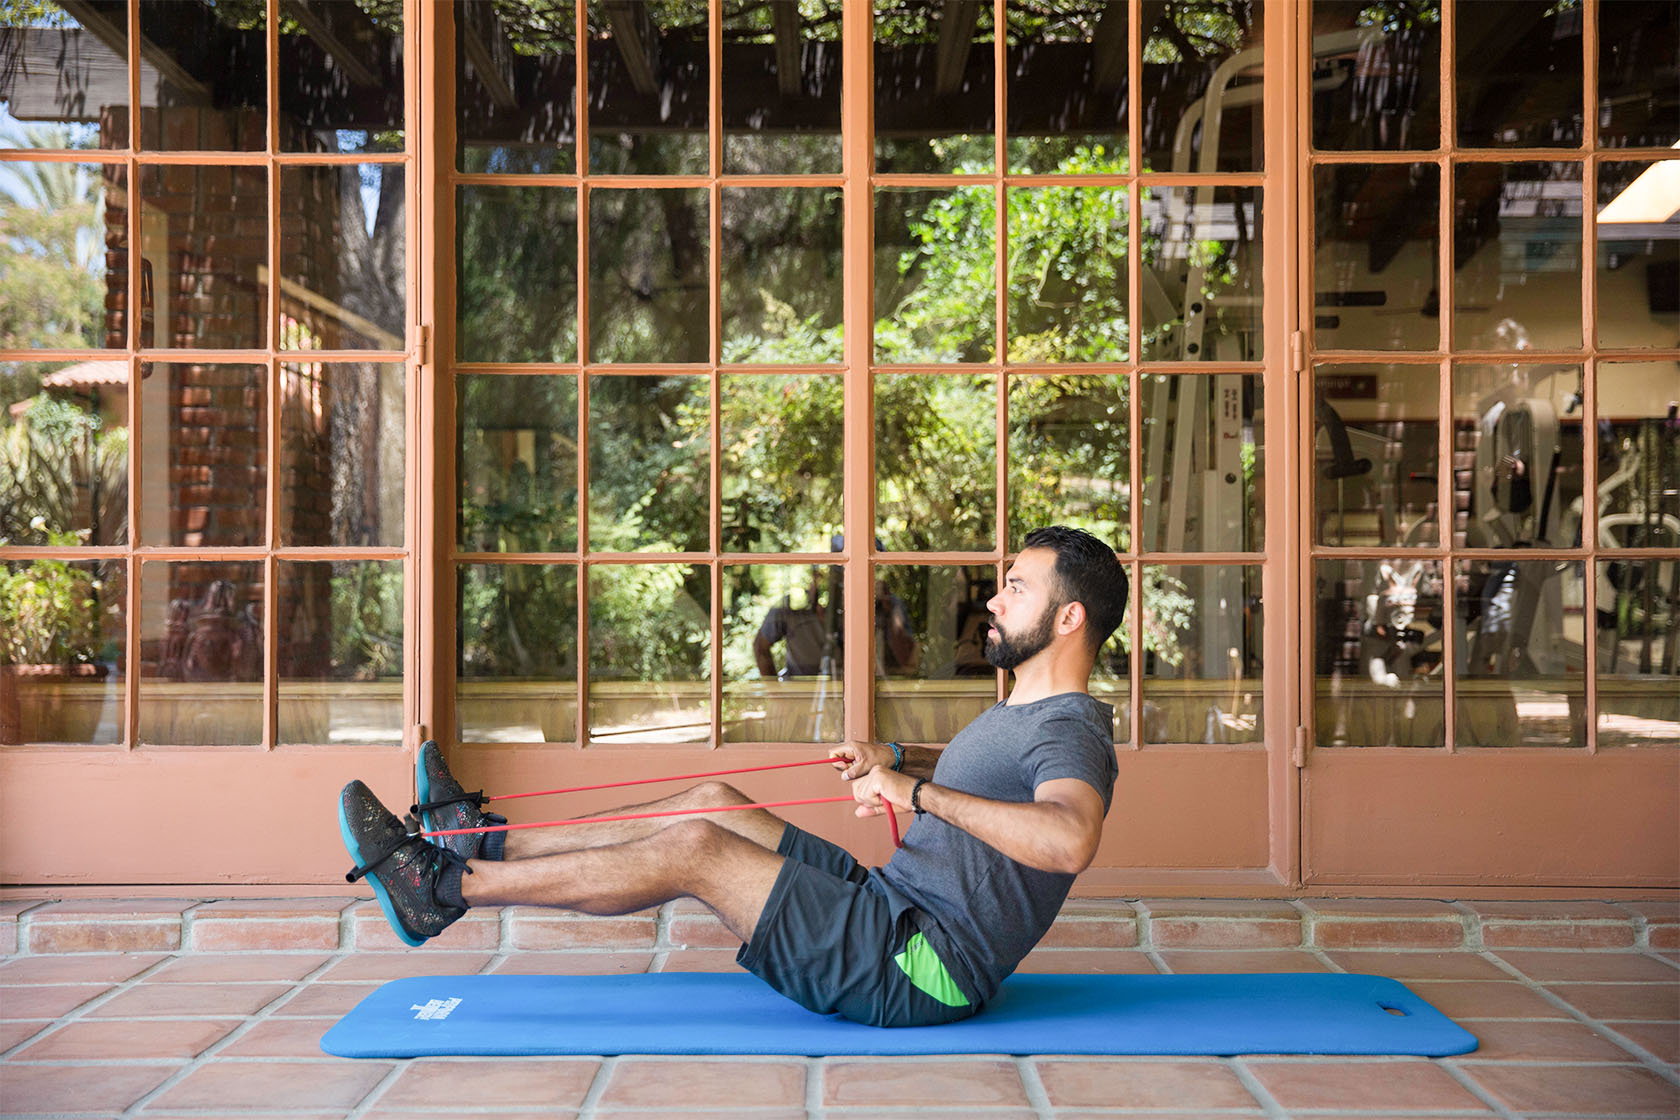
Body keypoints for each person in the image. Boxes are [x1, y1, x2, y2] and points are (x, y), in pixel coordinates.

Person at [338, 525, 1129, 1028]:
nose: (994, 599)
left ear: (1069, 618)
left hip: (922, 964)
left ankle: (444, 889)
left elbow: (1069, 839)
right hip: (886, 902)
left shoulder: (1071, 728)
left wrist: (914, 794)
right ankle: (479, 839)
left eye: (1016, 588)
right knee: (714, 803)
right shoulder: (1023, 710)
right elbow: (989, 782)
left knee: (697, 849)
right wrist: (898, 761)